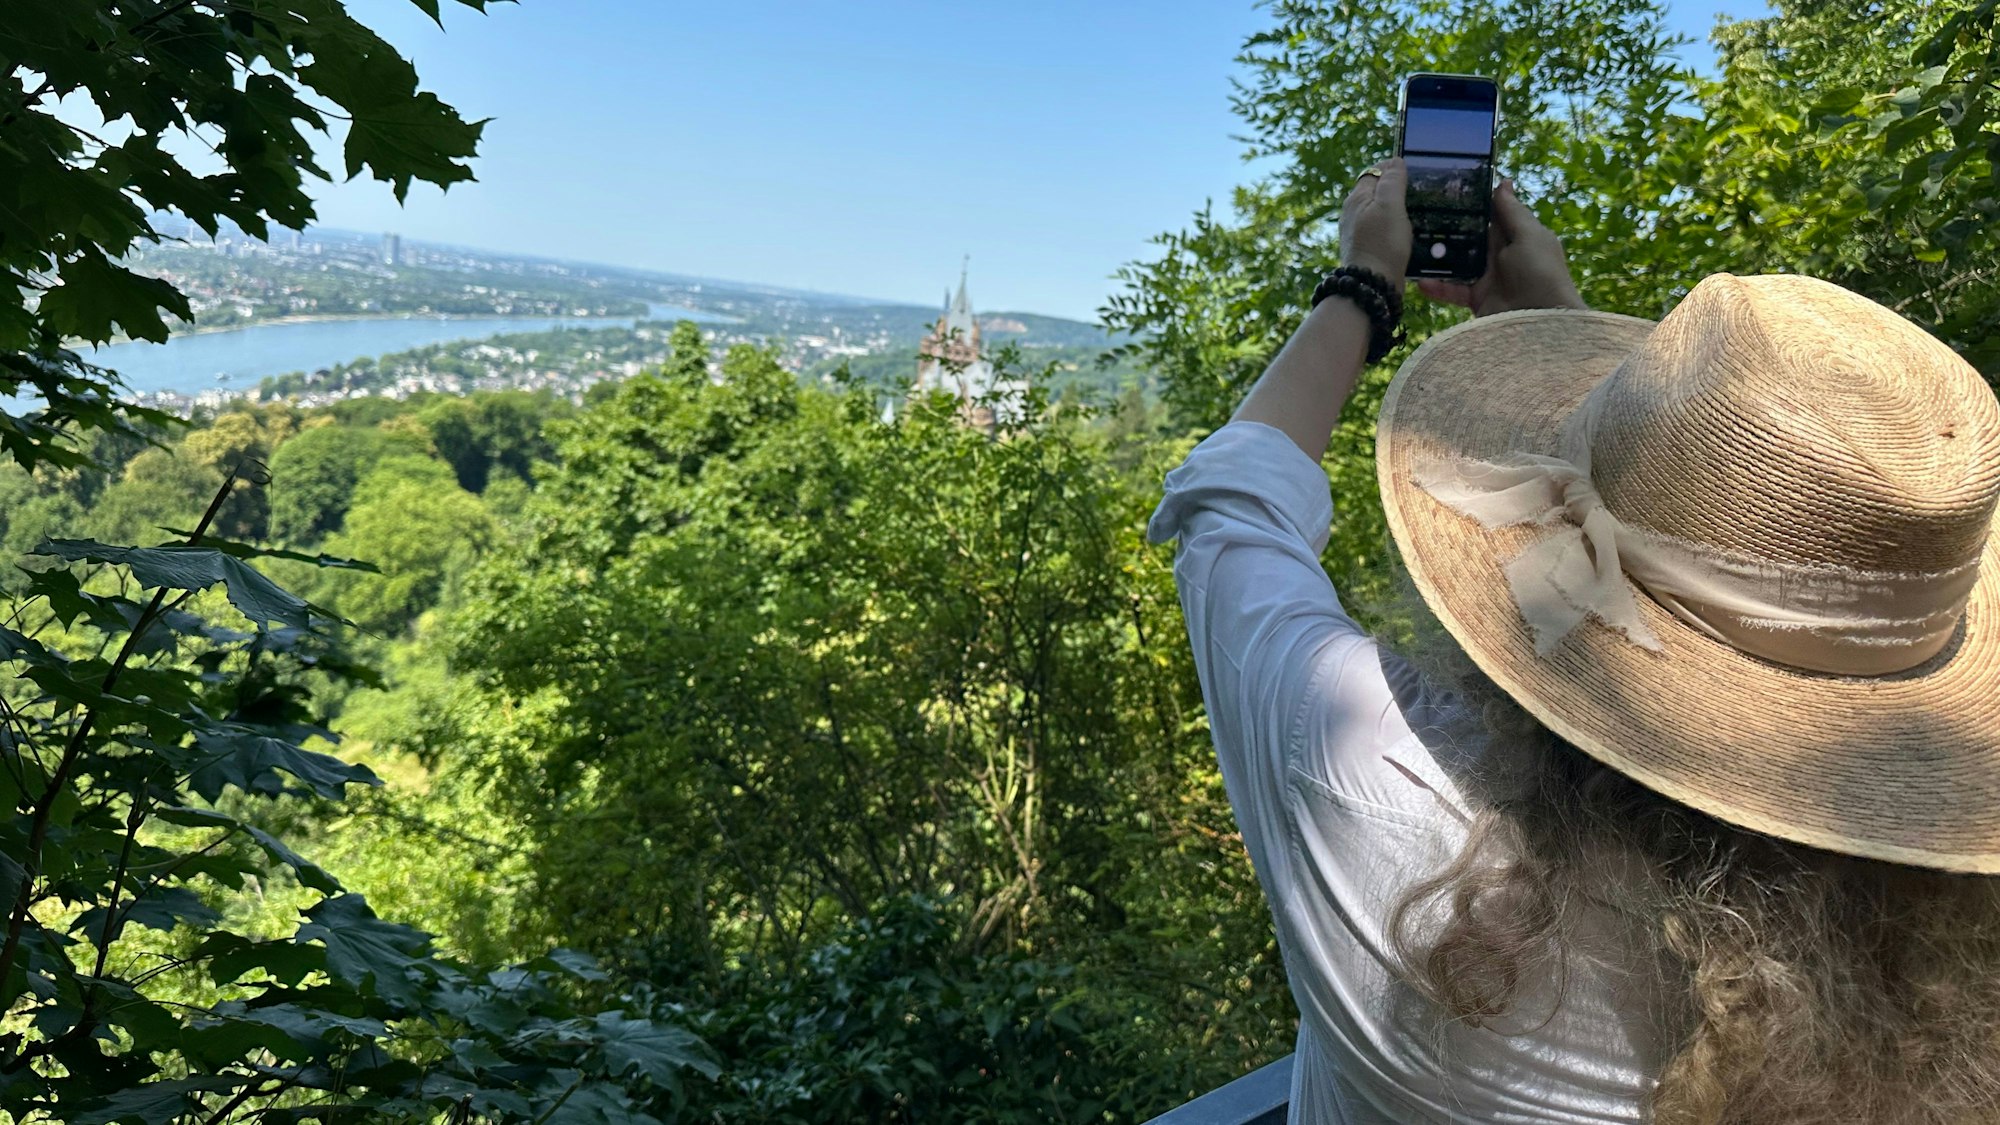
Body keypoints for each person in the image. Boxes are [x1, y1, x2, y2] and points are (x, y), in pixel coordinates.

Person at [1147, 156, 2000, 1124]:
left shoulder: (1386, 817)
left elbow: (1229, 507)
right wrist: (1590, 354)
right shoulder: (1951, 992)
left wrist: (1359, 287)